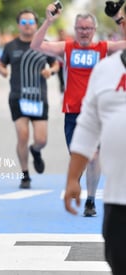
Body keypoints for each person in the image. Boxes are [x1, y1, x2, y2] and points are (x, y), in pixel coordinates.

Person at [30, 3, 126, 216]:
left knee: (94, 156)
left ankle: (90, 200)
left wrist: (119, 19)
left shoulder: (103, 48)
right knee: (79, 157)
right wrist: (48, 21)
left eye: (88, 29)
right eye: (80, 28)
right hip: (72, 112)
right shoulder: (67, 48)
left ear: (94, 30)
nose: (84, 32)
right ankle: (77, 181)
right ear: (75, 29)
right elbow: (36, 45)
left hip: (97, 113)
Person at [64, 7, 126, 273]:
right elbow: (88, 127)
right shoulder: (105, 70)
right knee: (119, 261)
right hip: (119, 197)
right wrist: (71, 180)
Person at [0, 9, 60, 189]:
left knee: (41, 140)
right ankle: (25, 174)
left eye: (31, 22)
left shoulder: (44, 44)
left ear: (36, 24)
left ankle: (36, 151)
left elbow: (55, 63)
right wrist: (2, 70)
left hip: (39, 97)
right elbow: (1, 64)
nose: (28, 26)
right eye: (24, 23)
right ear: (19, 25)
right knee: (23, 135)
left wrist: (51, 71)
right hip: (18, 97)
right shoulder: (11, 46)